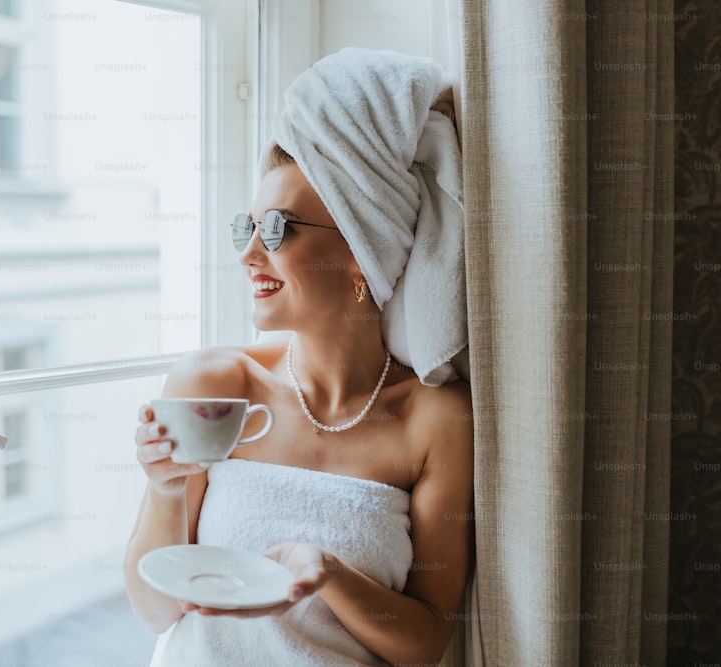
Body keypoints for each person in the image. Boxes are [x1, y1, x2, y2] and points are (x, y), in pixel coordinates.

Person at [123, 48, 474, 666]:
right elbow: (155, 612)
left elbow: (424, 646)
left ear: (362, 257)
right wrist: (164, 491)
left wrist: (331, 576)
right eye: (246, 228)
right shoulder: (214, 384)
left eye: (279, 230)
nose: (249, 255)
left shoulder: (435, 421)